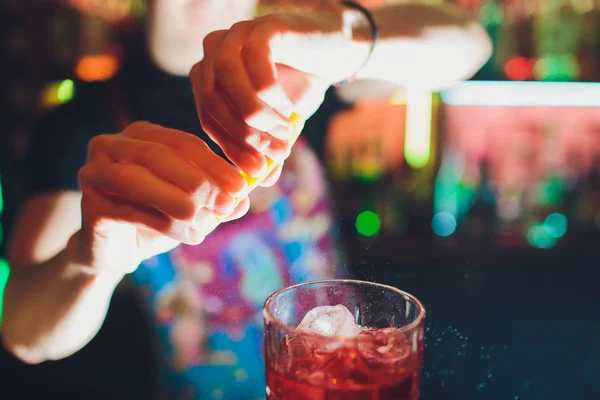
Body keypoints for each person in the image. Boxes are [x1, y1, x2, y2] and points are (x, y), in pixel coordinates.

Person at [1, 0, 491, 398]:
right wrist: (90, 261)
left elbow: (469, 46)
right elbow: (25, 331)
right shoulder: (82, 124)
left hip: (343, 381)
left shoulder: (298, 71)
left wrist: (345, 40)